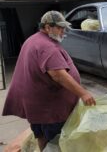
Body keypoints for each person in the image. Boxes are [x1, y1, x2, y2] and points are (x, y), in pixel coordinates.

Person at [2, 10, 96, 150]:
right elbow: (58, 75)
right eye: (59, 27)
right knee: (56, 142)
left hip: (37, 107)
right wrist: (83, 93)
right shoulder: (47, 47)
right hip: (51, 110)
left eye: (64, 28)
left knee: (42, 137)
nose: (63, 31)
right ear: (47, 27)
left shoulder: (33, 39)